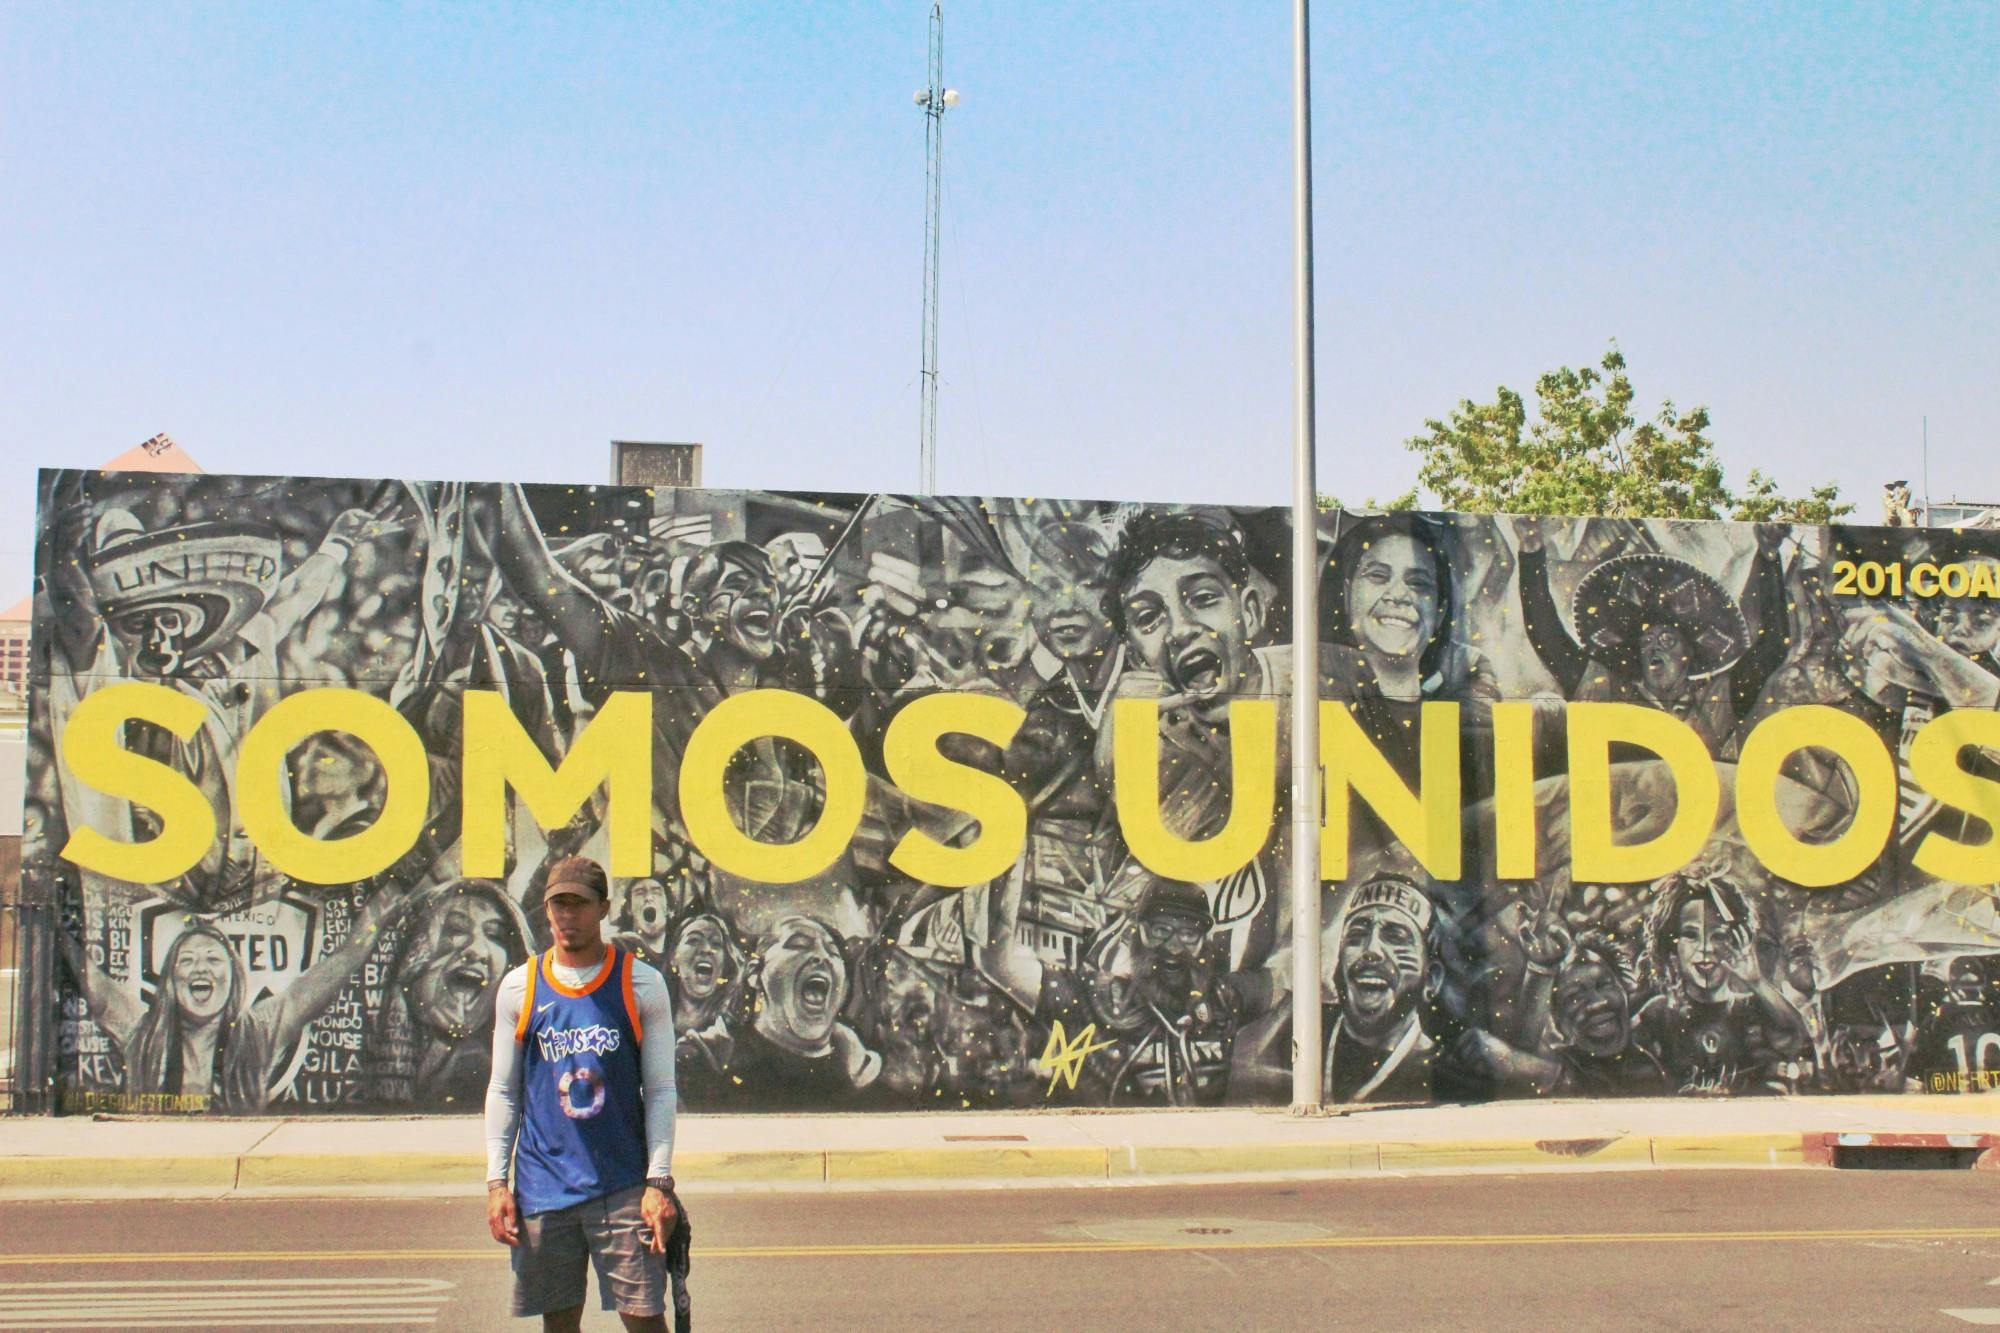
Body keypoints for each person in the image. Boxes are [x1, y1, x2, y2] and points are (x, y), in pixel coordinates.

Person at [485, 856, 683, 1332]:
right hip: (543, 1186)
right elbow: (503, 1092)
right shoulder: (520, 987)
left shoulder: (640, 983)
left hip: (622, 1184)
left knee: (645, 1321)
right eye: (558, 905)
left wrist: (658, 1183)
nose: (566, 916)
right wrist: (496, 1184)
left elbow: (659, 1090)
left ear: (604, 909)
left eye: (578, 904)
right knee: (559, 1324)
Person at [60, 886, 410, 1113]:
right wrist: (51, 925)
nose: (201, 969)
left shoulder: (257, 1032)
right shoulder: (143, 1034)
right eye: (187, 960)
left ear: (233, 978)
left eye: (213, 959)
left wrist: (379, 910)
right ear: (170, 981)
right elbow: (94, 984)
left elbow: (344, 961)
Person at [1633, 868, 1812, 1096]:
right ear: (1672, 947)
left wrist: (1757, 982)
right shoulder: (1658, 1013)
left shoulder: (1754, 1007)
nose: (1706, 948)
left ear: (1738, 942)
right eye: (1691, 934)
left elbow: (1796, 1039)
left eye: (1718, 935)